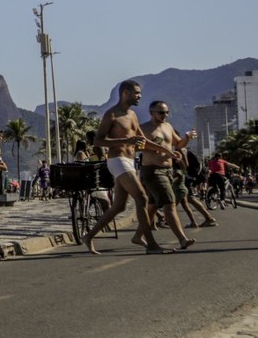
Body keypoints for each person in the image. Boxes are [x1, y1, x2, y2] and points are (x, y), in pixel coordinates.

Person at [82, 80, 178, 255]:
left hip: (130, 161)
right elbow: (97, 140)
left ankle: (89, 236)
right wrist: (125, 141)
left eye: (140, 93)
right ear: (125, 93)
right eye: (136, 93)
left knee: (119, 206)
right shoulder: (112, 115)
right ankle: (151, 245)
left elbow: (143, 141)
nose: (140, 96)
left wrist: (167, 150)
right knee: (141, 197)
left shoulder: (133, 115)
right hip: (117, 160)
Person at [138, 101, 196, 250]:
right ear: (152, 113)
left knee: (152, 206)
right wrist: (159, 150)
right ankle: (182, 239)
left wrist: (187, 137)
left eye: (167, 112)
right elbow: (138, 146)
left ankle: (138, 236)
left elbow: (179, 144)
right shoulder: (143, 129)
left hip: (168, 171)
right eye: (161, 112)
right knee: (169, 204)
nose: (166, 115)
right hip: (153, 171)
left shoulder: (168, 127)